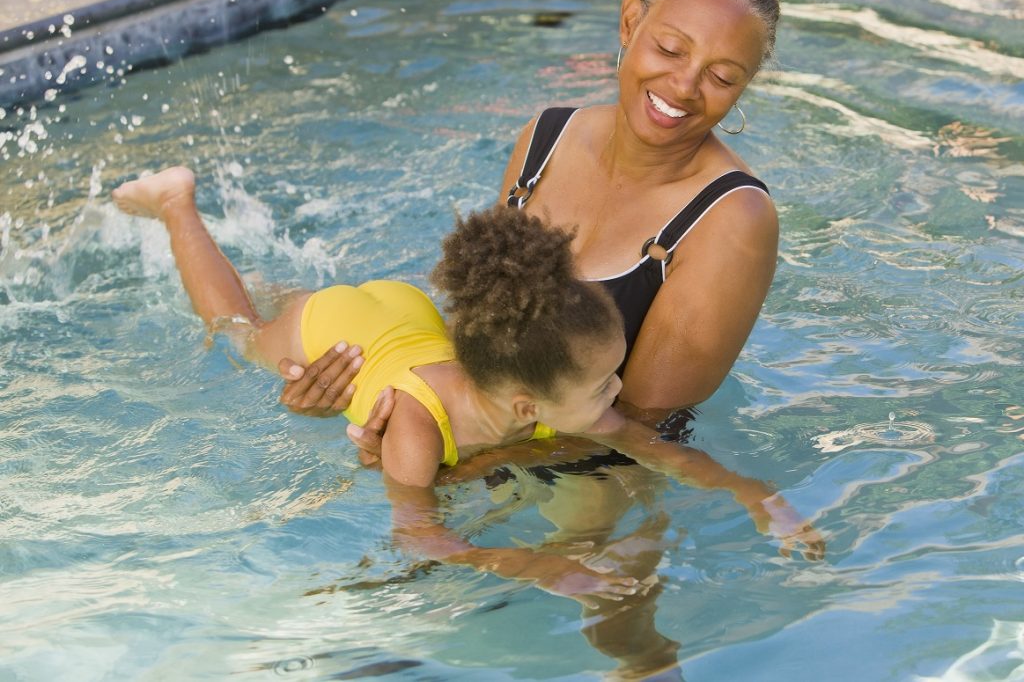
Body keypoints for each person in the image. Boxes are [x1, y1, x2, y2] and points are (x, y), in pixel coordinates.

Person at [111, 166, 822, 608]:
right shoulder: (418, 429)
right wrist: (532, 564)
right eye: (605, 382)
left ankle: (272, 277)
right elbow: (418, 535)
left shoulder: (544, 391)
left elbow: (656, 449)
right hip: (342, 337)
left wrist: (752, 494)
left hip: (408, 318)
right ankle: (177, 203)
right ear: (527, 408)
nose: (618, 391)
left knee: (267, 301)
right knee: (237, 328)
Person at [279, 0, 782, 449]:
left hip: (596, 493)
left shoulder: (734, 219)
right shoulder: (546, 140)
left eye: (721, 77)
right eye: (671, 50)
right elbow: (483, 347)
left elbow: (639, 433)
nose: (684, 86)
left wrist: (439, 459)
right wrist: (378, 398)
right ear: (630, 22)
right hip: (487, 447)